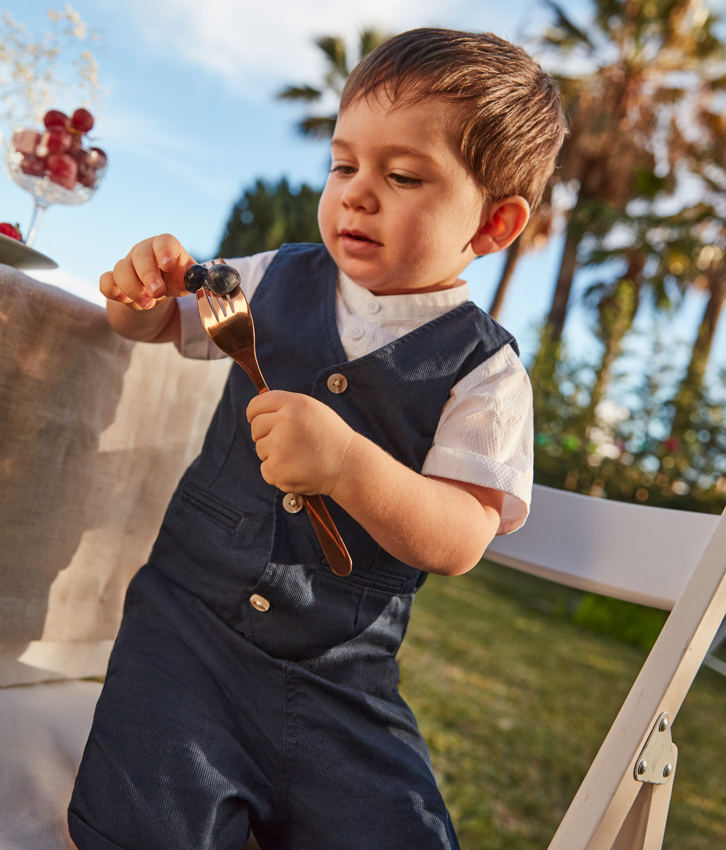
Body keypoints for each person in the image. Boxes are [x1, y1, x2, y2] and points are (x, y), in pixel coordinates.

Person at [69, 27, 566, 850]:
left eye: (403, 176)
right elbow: (154, 324)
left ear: (494, 223)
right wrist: (140, 291)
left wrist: (346, 463)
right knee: (142, 823)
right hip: (188, 632)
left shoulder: (487, 372)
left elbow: (460, 536)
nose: (357, 193)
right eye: (344, 165)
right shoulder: (273, 278)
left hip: (340, 681)